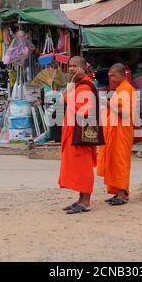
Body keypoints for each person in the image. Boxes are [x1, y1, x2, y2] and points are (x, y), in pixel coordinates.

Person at [59, 56, 98, 214]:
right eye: (70, 66)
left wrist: (69, 91)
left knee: (84, 168)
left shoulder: (86, 86)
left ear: (83, 68)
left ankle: (86, 202)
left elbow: (83, 110)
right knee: (77, 167)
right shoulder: (78, 85)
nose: (71, 69)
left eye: (75, 66)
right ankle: (81, 200)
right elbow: (64, 99)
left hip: (82, 134)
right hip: (74, 132)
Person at [97, 63, 136, 206]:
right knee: (113, 161)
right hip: (114, 131)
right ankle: (119, 192)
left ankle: (122, 195)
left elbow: (125, 113)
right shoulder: (119, 90)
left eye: (114, 75)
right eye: (110, 76)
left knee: (120, 162)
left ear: (123, 74)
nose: (111, 78)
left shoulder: (127, 89)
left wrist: (107, 104)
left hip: (122, 133)